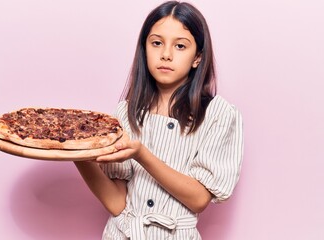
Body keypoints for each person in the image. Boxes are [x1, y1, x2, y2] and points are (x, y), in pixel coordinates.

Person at [75, 1, 244, 239]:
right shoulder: (126, 112)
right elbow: (116, 204)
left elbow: (198, 199)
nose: (166, 54)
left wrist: (141, 154)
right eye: (156, 43)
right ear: (144, 50)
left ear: (197, 57)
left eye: (180, 46)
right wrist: (75, 153)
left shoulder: (218, 114)